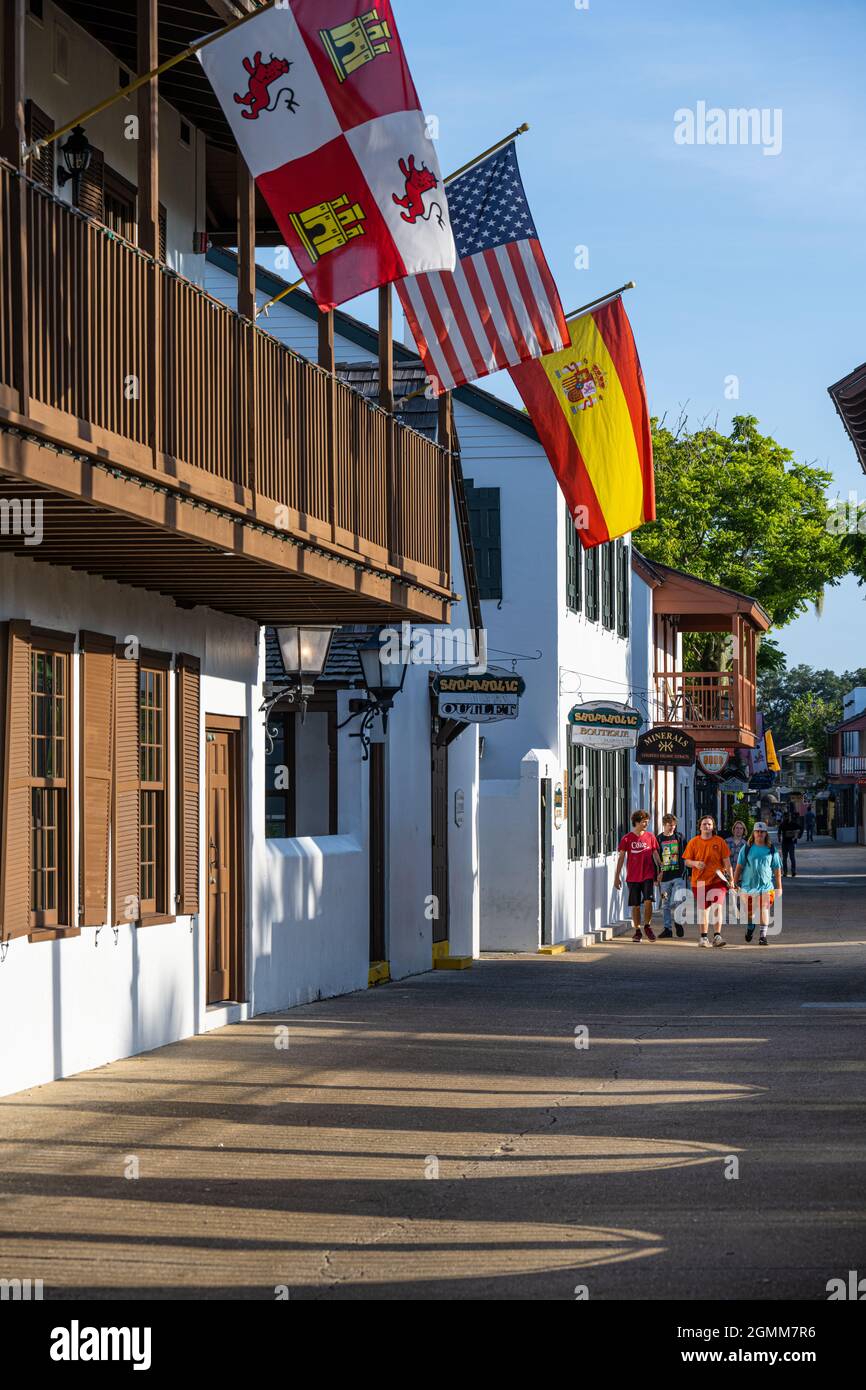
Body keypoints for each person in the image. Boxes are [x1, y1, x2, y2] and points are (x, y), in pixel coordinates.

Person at [683, 814, 734, 947]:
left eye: (709, 824)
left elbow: (727, 863)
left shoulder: (720, 841)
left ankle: (717, 936)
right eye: (704, 824)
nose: (707, 826)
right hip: (699, 881)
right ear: (700, 826)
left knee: (717, 907)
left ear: (713, 827)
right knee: (703, 910)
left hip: (718, 880)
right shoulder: (693, 842)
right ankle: (704, 938)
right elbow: (687, 861)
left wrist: (731, 880)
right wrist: (695, 863)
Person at [614, 810, 662, 942]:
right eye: (644, 821)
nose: (646, 824)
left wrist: (661, 868)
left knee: (648, 901)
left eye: (647, 821)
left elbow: (655, 854)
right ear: (636, 822)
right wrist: (616, 877)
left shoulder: (651, 837)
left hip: (648, 874)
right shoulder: (627, 838)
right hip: (633, 877)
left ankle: (647, 926)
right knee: (635, 905)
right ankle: (637, 931)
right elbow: (621, 858)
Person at [734, 821, 783, 945]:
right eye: (757, 831)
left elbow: (777, 870)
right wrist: (734, 883)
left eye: (762, 832)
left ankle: (762, 936)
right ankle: (750, 928)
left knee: (764, 909)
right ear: (753, 833)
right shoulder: (747, 848)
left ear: (766, 834)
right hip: (748, 887)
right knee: (749, 913)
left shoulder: (771, 849)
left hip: (766, 887)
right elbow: (739, 867)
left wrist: (779, 887)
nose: (760, 833)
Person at [656, 813, 687, 938]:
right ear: (664, 825)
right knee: (665, 903)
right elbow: (655, 858)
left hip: (678, 875)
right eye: (670, 825)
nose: (672, 828)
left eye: (674, 826)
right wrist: (656, 875)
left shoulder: (680, 837)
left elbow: (686, 854)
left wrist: (688, 872)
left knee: (679, 900)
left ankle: (678, 921)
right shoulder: (659, 839)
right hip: (664, 878)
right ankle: (667, 929)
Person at [724, 819, 749, 926]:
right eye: (737, 828)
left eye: (741, 828)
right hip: (729, 872)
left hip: (743, 873)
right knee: (732, 893)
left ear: (744, 831)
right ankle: (733, 913)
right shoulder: (726, 842)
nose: (738, 830)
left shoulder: (747, 844)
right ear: (733, 830)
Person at [778, 806, 803, 877]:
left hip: (790, 842)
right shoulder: (783, 824)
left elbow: (800, 828)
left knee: (791, 857)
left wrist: (797, 836)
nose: (786, 818)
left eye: (787, 817)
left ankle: (793, 871)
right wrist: (779, 838)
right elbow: (779, 832)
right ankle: (785, 872)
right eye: (786, 817)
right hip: (785, 842)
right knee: (785, 858)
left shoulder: (793, 824)